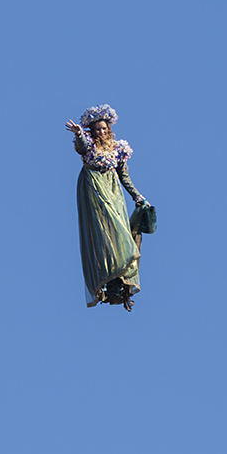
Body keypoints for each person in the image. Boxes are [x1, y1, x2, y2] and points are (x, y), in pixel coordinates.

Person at [65, 104, 149, 311]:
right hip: (94, 189)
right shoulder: (90, 145)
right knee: (104, 231)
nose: (101, 133)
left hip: (113, 192)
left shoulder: (119, 149)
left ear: (109, 129)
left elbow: (124, 176)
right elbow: (82, 148)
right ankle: (108, 275)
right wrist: (79, 134)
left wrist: (137, 196)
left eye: (103, 129)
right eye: (97, 130)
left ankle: (120, 275)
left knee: (120, 231)